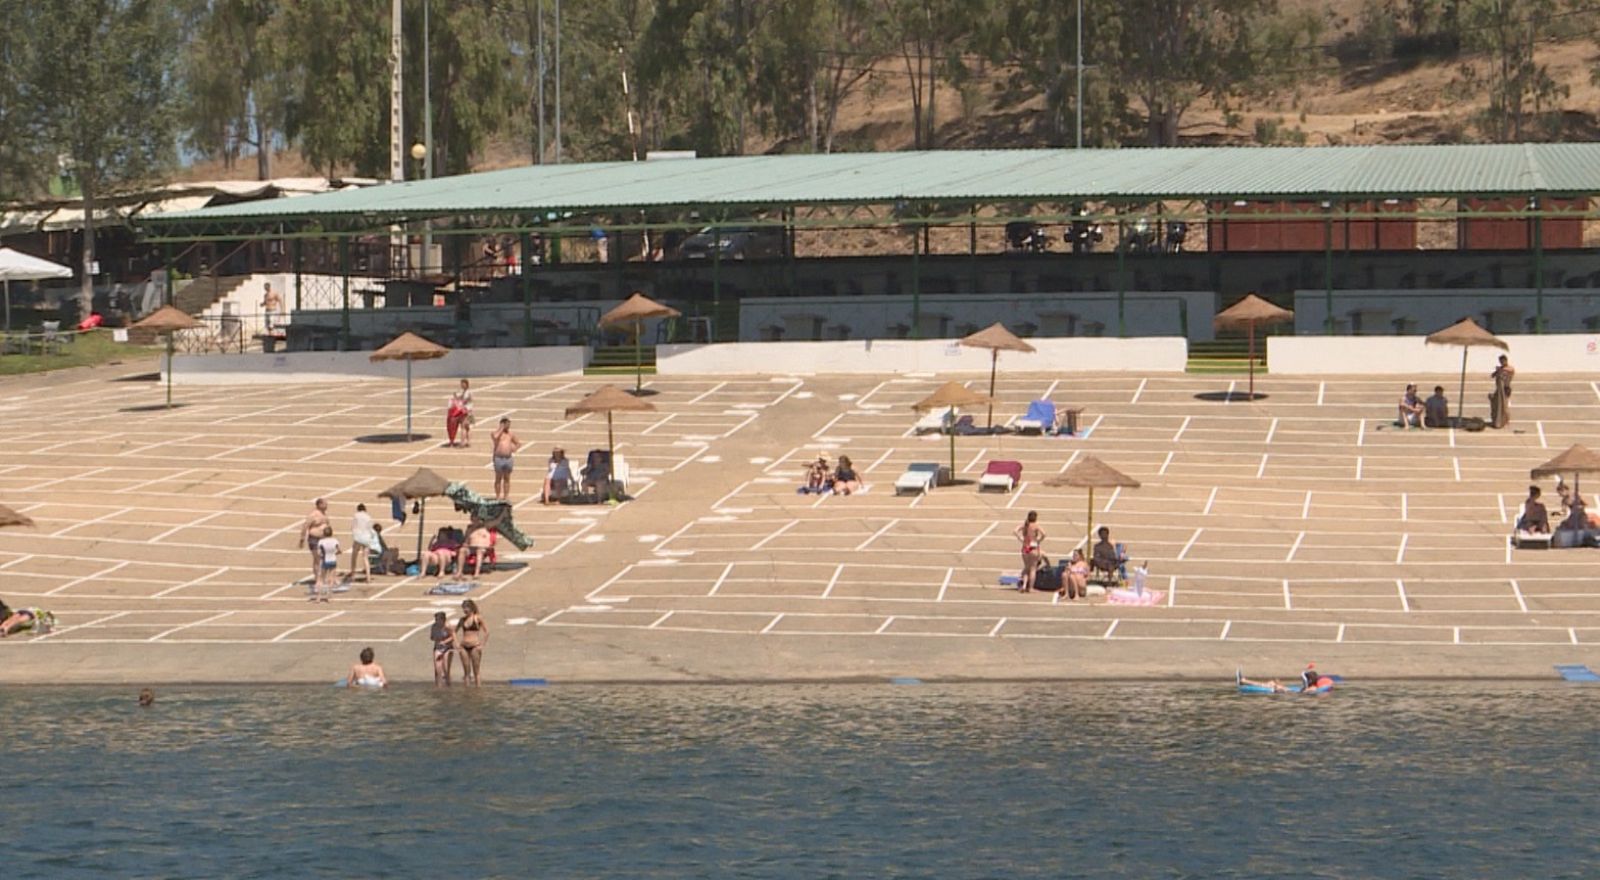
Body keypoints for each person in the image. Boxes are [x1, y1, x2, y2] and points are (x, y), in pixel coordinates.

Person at [297, 498, 330, 588]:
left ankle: (322, 578)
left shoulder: (325, 515)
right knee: (317, 559)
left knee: (324, 559)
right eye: (325, 504)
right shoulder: (313, 515)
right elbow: (305, 526)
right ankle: (317, 579)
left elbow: (328, 526)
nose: (326, 505)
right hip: (314, 539)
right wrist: (302, 539)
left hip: (323, 539)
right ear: (319, 505)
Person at [457, 599, 488, 686]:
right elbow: (454, 632)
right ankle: (467, 693)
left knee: (476, 671)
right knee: (466, 672)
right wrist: (456, 644)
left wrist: (482, 645)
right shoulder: (462, 620)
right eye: (463, 608)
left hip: (475, 646)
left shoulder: (477, 618)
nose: (465, 610)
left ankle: (478, 690)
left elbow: (486, 632)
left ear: (471, 608)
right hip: (463, 646)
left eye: (466, 608)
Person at [347, 503, 381, 582]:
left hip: (358, 538)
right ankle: (368, 577)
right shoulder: (368, 517)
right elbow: (370, 529)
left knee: (354, 556)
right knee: (365, 558)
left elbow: (353, 527)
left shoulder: (356, 515)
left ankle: (353, 574)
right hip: (366, 538)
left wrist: (354, 533)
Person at [1013, 511, 1045, 593]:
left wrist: (1020, 538)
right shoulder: (1035, 526)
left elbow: (1015, 531)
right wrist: (1039, 540)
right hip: (1033, 547)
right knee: (1033, 569)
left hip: (1025, 548)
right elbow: (1044, 534)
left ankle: (1024, 585)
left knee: (1026, 568)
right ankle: (1030, 587)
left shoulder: (1025, 525)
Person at [491, 418, 521, 501]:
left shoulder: (510, 434)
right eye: (507, 424)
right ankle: (497, 496)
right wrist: (501, 428)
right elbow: (495, 437)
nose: (509, 426)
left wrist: (514, 448)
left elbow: (518, 443)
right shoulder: (495, 433)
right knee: (498, 478)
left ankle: (506, 496)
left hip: (508, 458)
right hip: (498, 458)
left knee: (507, 478)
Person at [430, 611, 457, 686]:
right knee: (438, 669)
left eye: (438, 619)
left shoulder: (448, 626)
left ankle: (448, 684)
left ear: (443, 620)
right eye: (436, 619)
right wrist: (436, 639)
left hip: (447, 648)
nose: (437, 621)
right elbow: (431, 637)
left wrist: (445, 641)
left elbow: (453, 637)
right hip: (438, 647)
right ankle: (439, 686)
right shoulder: (434, 626)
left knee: (446, 669)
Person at [446, 379, 475, 448]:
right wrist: (456, 397)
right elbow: (460, 398)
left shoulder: (468, 392)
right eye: (461, 384)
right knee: (467, 428)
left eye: (463, 384)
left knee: (464, 427)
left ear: (466, 384)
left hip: (466, 411)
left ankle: (462, 443)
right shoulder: (464, 392)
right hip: (468, 411)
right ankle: (468, 442)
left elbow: (466, 400)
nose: (462, 385)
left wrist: (459, 401)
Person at [315, 526, 340, 602]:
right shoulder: (335, 541)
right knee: (331, 579)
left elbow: (319, 553)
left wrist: (321, 555)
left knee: (321, 579)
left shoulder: (321, 542)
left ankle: (318, 597)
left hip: (325, 561)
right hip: (333, 560)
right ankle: (329, 596)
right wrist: (336, 553)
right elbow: (338, 550)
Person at [1490, 354, 1514, 429]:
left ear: (1505, 360)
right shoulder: (1501, 368)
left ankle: (1505, 421)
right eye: (1500, 362)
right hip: (1499, 389)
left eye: (1502, 361)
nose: (1501, 363)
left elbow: (1510, 371)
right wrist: (1496, 371)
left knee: (1504, 405)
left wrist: (1500, 370)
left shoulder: (1509, 368)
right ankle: (1497, 420)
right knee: (1496, 404)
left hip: (1505, 389)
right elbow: (1492, 375)